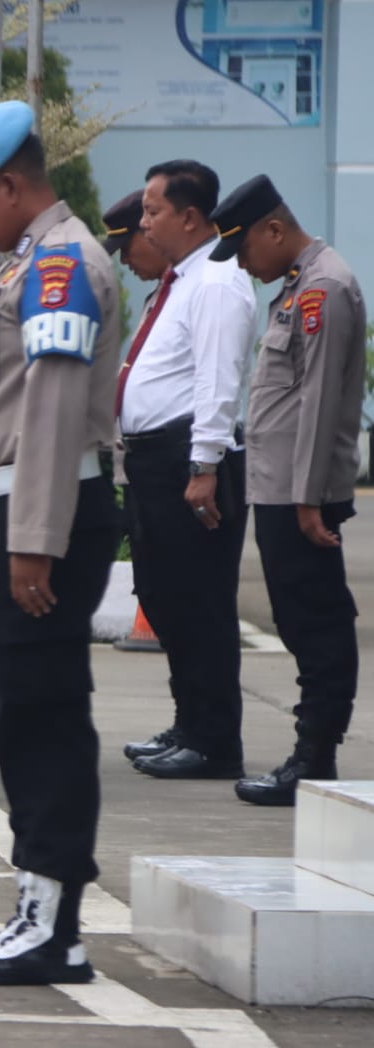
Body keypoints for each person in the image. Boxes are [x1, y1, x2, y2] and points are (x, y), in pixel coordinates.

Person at [0, 101, 121, 985]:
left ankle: (50, 927)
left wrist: (32, 540)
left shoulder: (59, 267)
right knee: (26, 716)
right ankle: (37, 913)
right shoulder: (26, 265)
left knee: (41, 723)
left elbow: (48, 413)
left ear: (12, 184)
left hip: (27, 525)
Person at [209, 175, 365, 806]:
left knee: (317, 623)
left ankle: (315, 755)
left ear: (274, 230)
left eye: (245, 250)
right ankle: (310, 752)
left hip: (300, 495)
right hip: (278, 490)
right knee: (300, 620)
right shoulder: (299, 285)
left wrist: (307, 498)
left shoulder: (322, 288)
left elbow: (320, 401)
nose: (245, 265)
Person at [119, 161, 256, 780]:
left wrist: (203, 464)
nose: (143, 223)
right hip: (154, 460)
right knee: (165, 595)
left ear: (191, 217)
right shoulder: (180, 282)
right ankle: (188, 722)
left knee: (199, 601)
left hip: (191, 460)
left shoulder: (218, 281)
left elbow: (217, 382)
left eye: (152, 211)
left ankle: (214, 739)